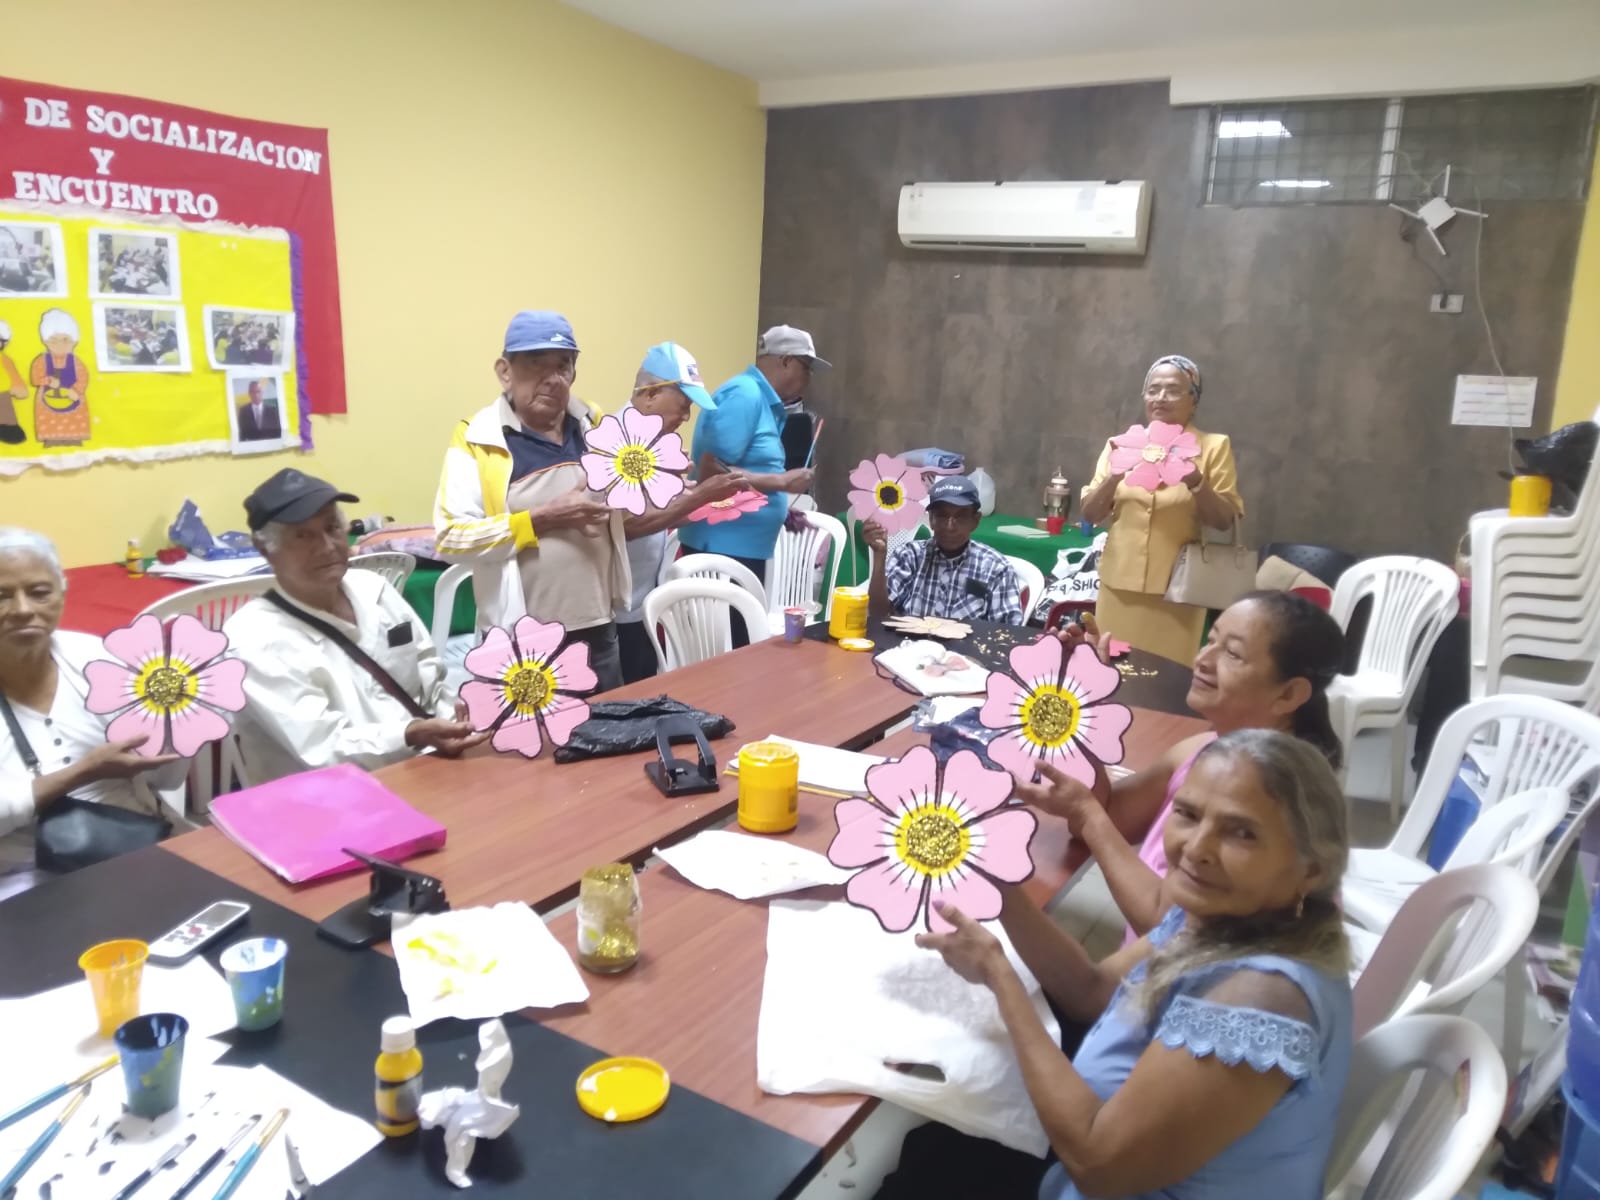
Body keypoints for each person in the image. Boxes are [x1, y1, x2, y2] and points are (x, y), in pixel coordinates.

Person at [906, 729, 1351, 1200]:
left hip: (1094, 1172)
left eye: (1242, 832)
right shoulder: (1224, 916)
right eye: (1187, 814)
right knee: (932, 1147)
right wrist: (1000, 884)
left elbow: (1097, 1167)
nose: (1196, 848)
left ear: (1311, 868)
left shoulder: (1259, 999)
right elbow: (1090, 991)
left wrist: (1000, 978)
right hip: (1083, 1159)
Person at [1037, 590, 1344, 944]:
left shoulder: (1281, 798)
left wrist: (1088, 815)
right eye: (1210, 641)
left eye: (1232, 653)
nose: (1202, 659)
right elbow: (1107, 817)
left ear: (1288, 694)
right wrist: (1086, 697)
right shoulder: (1202, 749)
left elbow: (1168, 924)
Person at [226, 470, 482, 783]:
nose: (327, 546)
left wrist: (454, 723)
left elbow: (430, 675)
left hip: (425, 768)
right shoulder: (253, 639)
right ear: (264, 548)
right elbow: (321, 749)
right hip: (324, 798)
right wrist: (410, 734)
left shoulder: (375, 589)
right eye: (303, 536)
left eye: (332, 527)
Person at [434, 311, 629, 691]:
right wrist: (540, 520)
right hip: (520, 642)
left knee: (613, 726)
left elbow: (618, 507)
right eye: (536, 363)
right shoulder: (477, 437)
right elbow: (450, 538)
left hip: (599, 628)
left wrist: (660, 483)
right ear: (505, 371)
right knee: (532, 732)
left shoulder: (593, 423)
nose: (553, 378)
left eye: (563, 365)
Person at [0, 528, 184, 881]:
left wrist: (181, 728)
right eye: (1, 596)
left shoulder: (96, 658)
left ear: (62, 592)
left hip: (134, 843)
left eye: (39, 593)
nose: (22, 609)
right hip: (19, 876)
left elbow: (163, 778)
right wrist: (84, 772)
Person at [1080, 355, 1243, 664]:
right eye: (1153, 390)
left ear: (1193, 400)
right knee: (1111, 671)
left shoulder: (1212, 447)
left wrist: (1196, 481)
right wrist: (1115, 475)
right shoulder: (1121, 444)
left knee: (1168, 677)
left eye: (1173, 390)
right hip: (1119, 587)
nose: (1160, 397)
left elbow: (1225, 520)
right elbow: (1090, 514)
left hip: (1179, 591)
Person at [614, 342, 746, 683]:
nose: (686, 417)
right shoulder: (615, 445)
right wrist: (700, 495)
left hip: (642, 599)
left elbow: (659, 515)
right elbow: (627, 526)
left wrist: (710, 502)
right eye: (684, 405)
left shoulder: (651, 444)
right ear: (651, 394)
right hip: (615, 613)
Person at [679, 325, 821, 582]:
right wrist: (781, 482)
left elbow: (746, 469)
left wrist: (780, 509)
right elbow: (712, 469)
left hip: (740, 549)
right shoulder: (745, 394)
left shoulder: (761, 399)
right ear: (786, 361)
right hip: (722, 549)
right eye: (807, 368)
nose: (809, 378)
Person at [865, 475, 1023, 625]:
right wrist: (879, 556)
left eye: (960, 517)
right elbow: (878, 613)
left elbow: (1009, 632)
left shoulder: (996, 569)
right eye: (942, 516)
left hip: (971, 645)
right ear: (931, 519)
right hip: (908, 642)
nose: (950, 526)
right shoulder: (909, 556)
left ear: (975, 521)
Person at [30, 309, 90, 447]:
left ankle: (74, 438)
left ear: (74, 341)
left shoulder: (76, 362)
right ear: (46, 342)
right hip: (47, 401)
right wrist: (48, 381)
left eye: (65, 340)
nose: (60, 345)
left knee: (75, 422)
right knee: (49, 421)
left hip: (73, 399)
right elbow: (35, 378)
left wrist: (76, 390)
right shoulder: (41, 360)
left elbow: (83, 377)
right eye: (54, 340)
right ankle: (51, 439)